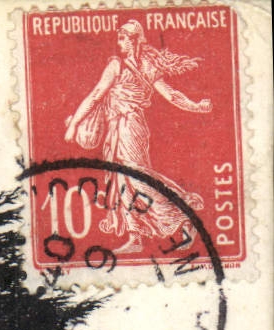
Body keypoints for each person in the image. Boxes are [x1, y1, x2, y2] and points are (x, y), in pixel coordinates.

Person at [63, 20, 212, 253]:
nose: (119, 43)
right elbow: (170, 95)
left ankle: (184, 214)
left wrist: (74, 124)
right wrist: (196, 106)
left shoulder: (120, 66)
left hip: (129, 127)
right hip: (121, 127)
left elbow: (95, 96)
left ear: (133, 40)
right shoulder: (139, 66)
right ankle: (136, 237)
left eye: (123, 38)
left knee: (136, 178)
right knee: (121, 180)